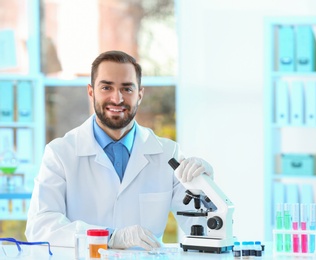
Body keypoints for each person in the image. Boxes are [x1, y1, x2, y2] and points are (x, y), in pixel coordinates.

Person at [25, 50, 214, 250]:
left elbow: (204, 231)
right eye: (106, 87)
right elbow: (41, 226)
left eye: (127, 89)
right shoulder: (61, 153)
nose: (117, 99)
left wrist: (207, 188)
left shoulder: (168, 154)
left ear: (140, 94)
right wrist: (108, 237)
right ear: (91, 92)